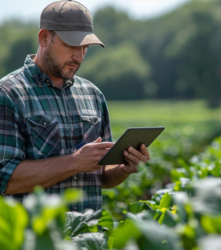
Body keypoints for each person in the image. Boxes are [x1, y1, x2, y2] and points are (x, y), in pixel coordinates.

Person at [0, 0, 150, 212]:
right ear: (44, 38)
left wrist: (125, 167)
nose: (79, 56)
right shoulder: (9, 94)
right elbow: (4, 178)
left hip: (88, 238)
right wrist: (75, 162)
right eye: (71, 45)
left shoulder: (93, 94)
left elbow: (103, 176)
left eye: (85, 47)